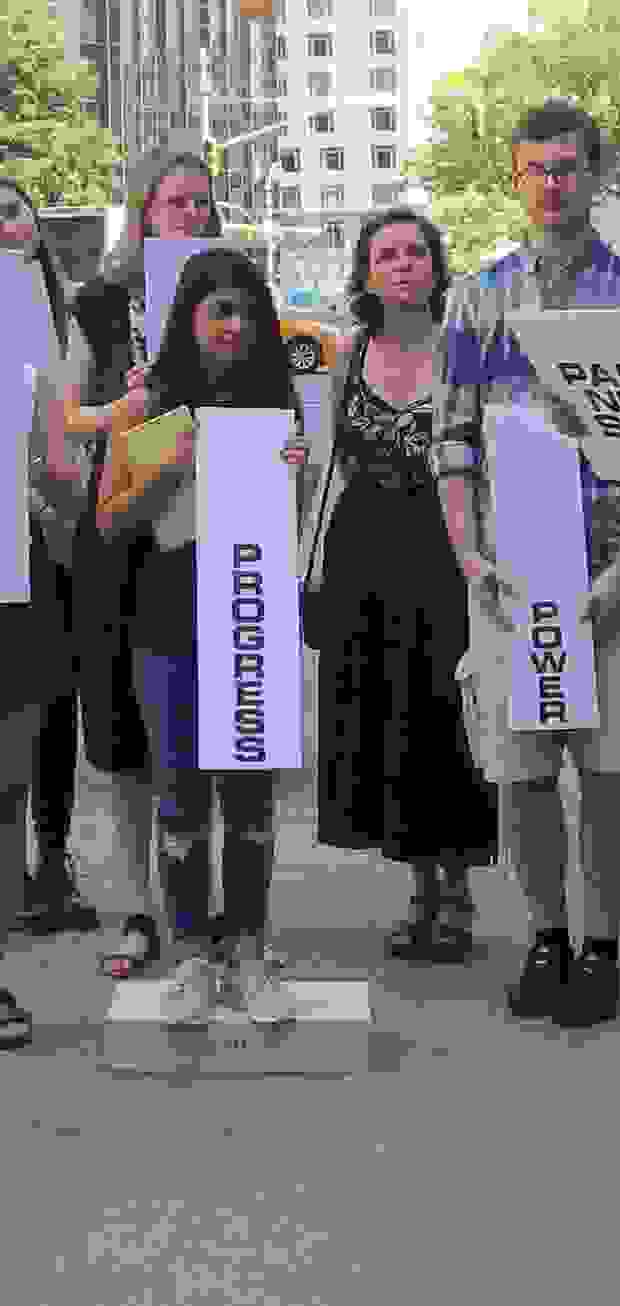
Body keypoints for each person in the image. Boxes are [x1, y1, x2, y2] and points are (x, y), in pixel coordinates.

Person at [432, 99, 620, 1029]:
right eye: (534, 168)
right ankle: (543, 935)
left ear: (595, 175)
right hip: (511, 575)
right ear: (515, 178)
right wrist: (467, 555)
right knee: (522, 773)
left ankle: (602, 943)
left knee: (606, 771)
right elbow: (450, 440)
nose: (551, 184)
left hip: (608, 570)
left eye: (567, 166)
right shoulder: (477, 297)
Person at [20, 149, 223, 987]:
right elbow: (58, 420)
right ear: (141, 212)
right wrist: (121, 409)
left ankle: (206, 913)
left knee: (201, 739)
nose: (187, 216)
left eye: (201, 203)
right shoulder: (96, 305)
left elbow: (270, 406)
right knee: (123, 741)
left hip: (201, 542)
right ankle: (140, 910)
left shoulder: (230, 298)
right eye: (172, 202)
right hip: (110, 541)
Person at [96, 248, 309, 1025]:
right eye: (219, 309)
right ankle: (191, 956)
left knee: (249, 801)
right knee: (181, 799)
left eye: (248, 311)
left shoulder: (277, 406)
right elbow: (109, 518)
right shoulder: (149, 405)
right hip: (170, 625)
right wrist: (163, 469)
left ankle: (248, 952)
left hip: (253, 617)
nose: (234, 324)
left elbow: (301, 523)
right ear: (188, 318)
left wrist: (302, 471)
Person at [301, 208, 499, 962]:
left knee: (446, 712)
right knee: (388, 719)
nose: (403, 263)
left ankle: (458, 890)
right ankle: (421, 887)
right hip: (363, 551)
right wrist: (311, 566)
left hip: (445, 549)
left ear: (436, 264)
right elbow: (330, 468)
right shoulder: (348, 357)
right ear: (365, 271)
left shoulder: (465, 349)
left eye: (417, 251)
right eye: (386, 253)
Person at [0, 179, 89, 1046]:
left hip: (30, 564)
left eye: (15, 206)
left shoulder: (43, 317)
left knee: (10, 772)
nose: (6, 220)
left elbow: (59, 462)